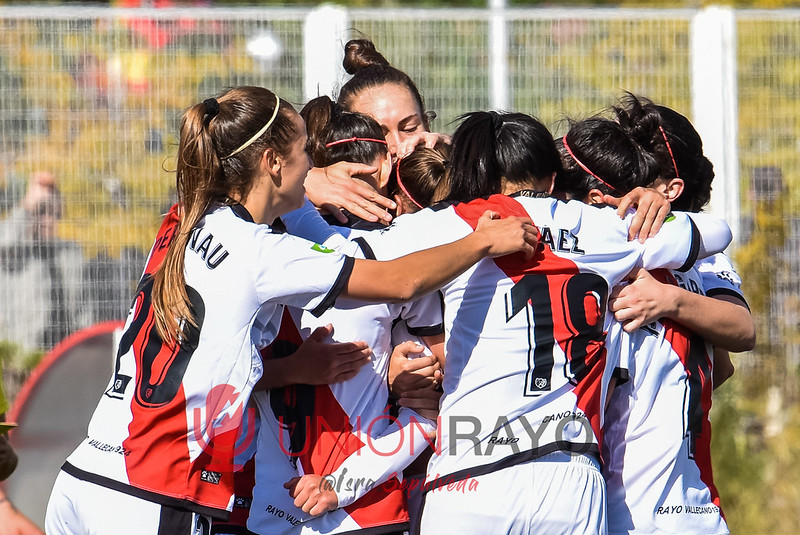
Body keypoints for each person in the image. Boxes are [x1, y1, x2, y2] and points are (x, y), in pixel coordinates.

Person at [43, 86, 539, 535]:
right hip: (152, 491)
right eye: (306, 155)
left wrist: (313, 183)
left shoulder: (182, 217)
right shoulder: (263, 252)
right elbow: (400, 280)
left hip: (85, 474)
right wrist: (479, 242)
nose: (314, 169)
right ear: (273, 163)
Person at [284, 110, 733, 534]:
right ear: (552, 178)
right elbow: (717, 233)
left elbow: (334, 249)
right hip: (571, 481)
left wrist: (311, 186)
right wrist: (654, 205)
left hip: (470, 477)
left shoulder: (453, 224)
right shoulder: (604, 228)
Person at [247, 96, 444, 535]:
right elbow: (426, 414)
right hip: (336, 508)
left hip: (291, 509)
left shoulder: (246, 244)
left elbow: (431, 399)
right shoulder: (402, 256)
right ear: (380, 169)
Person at [588, 95, 755, 535]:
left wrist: (669, 302)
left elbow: (740, 331)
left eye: (637, 175)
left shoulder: (703, 256)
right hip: (603, 500)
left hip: (686, 505)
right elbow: (717, 369)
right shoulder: (608, 243)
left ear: (670, 190)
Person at [303, 38, 446, 226]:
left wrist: (461, 161)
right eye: (380, 133)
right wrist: (303, 183)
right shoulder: (315, 210)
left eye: (409, 128)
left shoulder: (451, 178)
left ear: (427, 125)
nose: (399, 146)